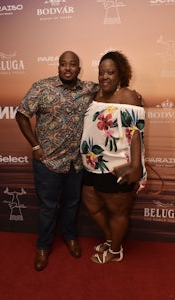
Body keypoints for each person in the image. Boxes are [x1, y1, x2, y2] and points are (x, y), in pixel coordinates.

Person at [15, 51, 98, 271]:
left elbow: (111, 93)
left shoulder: (89, 89)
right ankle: (43, 247)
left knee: (72, 205)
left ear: (79, 69)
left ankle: (70, 238)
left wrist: (131, 96)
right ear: (58, 67)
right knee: (48, 208)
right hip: (48, 162)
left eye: (72, 65)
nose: (68, 68)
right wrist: (35, 146)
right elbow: (21, 114)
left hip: (75, 163)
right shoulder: (42, 88)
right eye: (63, 64)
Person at [80, 51, 146, 264]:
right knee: (92, 205)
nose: (104, 77)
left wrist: (135, 166)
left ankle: (115, 251)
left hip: (117, 164)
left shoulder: (128, 96)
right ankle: (111, 240)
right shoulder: (96, 95)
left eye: (110, 72)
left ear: (120, 74)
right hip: (92, 164)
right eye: (101, 72)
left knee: (117, 212)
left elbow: (135, 132)